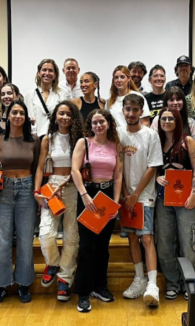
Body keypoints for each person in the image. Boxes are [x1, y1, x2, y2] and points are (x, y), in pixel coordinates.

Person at [0, 100, 39, 304]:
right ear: (7, 116)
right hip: (2, 192)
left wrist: (38, 193)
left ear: (26, 117)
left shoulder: (33, 140)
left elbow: (37, 169)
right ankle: (2, 285)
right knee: (1, 239)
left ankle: (24, 284)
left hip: (27, 189)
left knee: (25, 239)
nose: (18, 116)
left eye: (21, 113)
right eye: (14, 112)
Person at [71, 109, 124, 313]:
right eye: (94, 122)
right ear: (90, 125)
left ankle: (100, 286)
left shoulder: (115, 145)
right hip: (88, 195)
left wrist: (116, 202)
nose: (98, 125)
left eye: (102, 121)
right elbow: (74, 170)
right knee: (86, 246)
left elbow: (118, 175)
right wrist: (84, 195)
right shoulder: (83, 143)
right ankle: (83, 292)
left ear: (108, 123)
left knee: (103, 245)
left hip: (108, 195)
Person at [33, 101, 84, 302]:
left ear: (73, 118)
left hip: (72, 186)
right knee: (46, 233)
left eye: (68, 114)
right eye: (61, 113)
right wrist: (37, 192)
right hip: (52, 186)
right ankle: (52, 263)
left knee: (72, 234)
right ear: (55, 116)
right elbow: (39, 167)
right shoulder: (48, 139)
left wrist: (66, 183)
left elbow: (79, 168)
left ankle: (64, 278)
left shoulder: (80, 140)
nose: (64, 117)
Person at [117, 95, 163, 307]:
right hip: (126, 196)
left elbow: (153, 166)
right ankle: (139, 278)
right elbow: (117, 167)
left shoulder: (151, 135)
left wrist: (136, 194)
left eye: (135, 109)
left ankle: (152, 285)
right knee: (132, 238)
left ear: (141, 110)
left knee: (146, 237)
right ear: (123, 110)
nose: (131, 113)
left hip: (144, 195)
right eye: (128, 109)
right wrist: (126, 192)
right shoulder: (117, 134)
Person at [154, 108, 195, 300]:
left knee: (188, 244)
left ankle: (189, 284)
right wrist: (158, 178)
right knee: (165, 243)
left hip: (186, 199)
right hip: (163, 200)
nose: (166, 121)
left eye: (170, 118)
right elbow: (153, 168)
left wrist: (194, 193)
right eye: (163, 118)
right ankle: (172, 283)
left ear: (178, 120)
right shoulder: (156, 141)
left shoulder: (187, 141)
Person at [24, 59, 68, 138]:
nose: (47, 73)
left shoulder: (62, 94)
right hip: (35, 138)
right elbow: (30, 119)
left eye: (50, 70)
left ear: (55, 75)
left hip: (56, 138)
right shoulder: (29, 95)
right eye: (44, 70)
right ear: (38, 73)